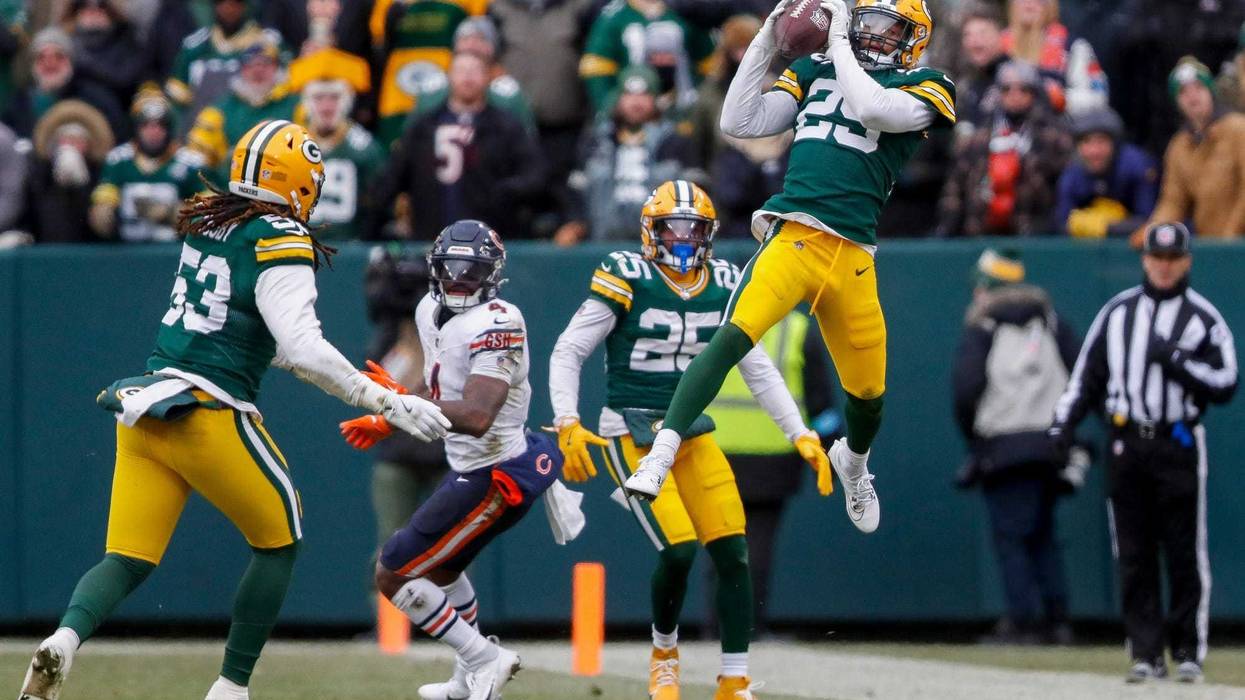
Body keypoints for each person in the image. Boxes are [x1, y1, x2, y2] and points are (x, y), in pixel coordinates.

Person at [16, 119, 450, 700]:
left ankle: (64, 639)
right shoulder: (280, 236)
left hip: (146, 407)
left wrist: (329, 372)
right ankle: (231, 687)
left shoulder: (210, 221)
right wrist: (384, 398)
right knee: (280, 541)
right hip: (206, 411)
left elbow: (250, 331)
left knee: (127, 557)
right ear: (296, 182)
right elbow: (302, 349)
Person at [622, 0, 957, 534]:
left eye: (886, 26)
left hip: (852, 256)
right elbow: (738, 120)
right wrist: (766, 40)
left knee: (868, 397)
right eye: (865, 21)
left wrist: (839, 42)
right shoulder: (814, 70)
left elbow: (874, 110)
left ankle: (855, 465)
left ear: (914, 38)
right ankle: (661, 454)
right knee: (731, 338)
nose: (872, 34)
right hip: (794, 237)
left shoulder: (928, 84)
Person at [548, 181, 830, 700]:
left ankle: (734, 678)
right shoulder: (627, 274)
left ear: (709, 234)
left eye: (693, 229)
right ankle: (664, 654)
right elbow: (569, 350)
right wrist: (567, 420)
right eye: (672, 228)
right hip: (629, 432)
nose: (682, 238)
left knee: (733, 550)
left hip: (690, 434)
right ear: (649, 231)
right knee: (678, 551)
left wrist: (800, 433)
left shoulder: (724, 280)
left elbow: (757, 366)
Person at [340, 220, 565, 700]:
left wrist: (395, 409)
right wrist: (393, 416)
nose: (459, 281)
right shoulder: (428, 309)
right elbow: (438, 390)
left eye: (472, 271)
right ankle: (467, 679)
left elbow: (478, 415)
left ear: (493, 274)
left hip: (498, 471)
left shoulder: (500, 321)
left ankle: (484, 658)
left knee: (393, 571)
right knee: (443, 572)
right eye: (451, 269)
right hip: (470, 467)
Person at [1050, 222, 1237, 684]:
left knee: (1183, 551)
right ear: (1145, 259)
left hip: (1177, 442)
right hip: (1127, 442)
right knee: (1133, 552)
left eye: (1173, 258)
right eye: (1157, 257)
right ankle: (1146, 652)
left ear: (1186, 261)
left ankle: (1188, 650)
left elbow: (1225, 381)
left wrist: (1177, 360)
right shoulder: (1118, 313)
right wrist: (1062, 426)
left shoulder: (1203, 318)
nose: (1164, 267)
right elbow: (1086, 377)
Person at [951, 249, 1080, 645]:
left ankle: (1022, 622)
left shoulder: (984, 327)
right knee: (1043, 533)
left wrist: (975, 438)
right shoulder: (1051, 322)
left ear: (987, 288)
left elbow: (966, 388)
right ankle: (1058, 620)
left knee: (1011, 539)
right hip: (1050, 444)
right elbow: (1083, 374)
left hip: (1002, 445)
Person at [706, 311, 840, 636]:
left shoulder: (710, 323)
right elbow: (821, 404)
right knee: (758, 546)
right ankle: (748, 627)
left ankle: (716, 630)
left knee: (719, 545)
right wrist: (835, 457)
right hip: (772, 457)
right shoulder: (796, 329)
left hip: (714, 453)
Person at [373, 51, 546, 240]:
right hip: (430, 236)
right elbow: (392, 178)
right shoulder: (424, 127)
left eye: (475, 71)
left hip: (491, 237)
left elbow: (534, 174)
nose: (468, 77)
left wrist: (504, 193)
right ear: (449, 76)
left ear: (488, 77)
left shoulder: (506, 126)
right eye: (461, 70)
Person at [556, 66, 696, 245]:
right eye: (629, 95)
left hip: (660, 243)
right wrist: (574, 222)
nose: (636, 103)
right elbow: (576, 187)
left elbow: (695, 190)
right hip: (602, 240)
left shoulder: (674, 141)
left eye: (644, 95)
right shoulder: (595, 141)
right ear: (618, 98)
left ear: (656, 100)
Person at [937, 60, 1072, 237]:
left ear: (1034, 93)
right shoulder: (977, 139)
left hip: (1034, 232)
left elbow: (1064, 188)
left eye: (1023, 89)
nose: (1015, 96)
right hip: (979, 233)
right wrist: (947, 227)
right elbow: (954, 188)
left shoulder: (1053, 138)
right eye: (1007, 89)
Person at [1134, 57, 1245, 242]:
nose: (1192, 97)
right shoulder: (1179, 146)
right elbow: (1173, 202)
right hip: (1210, 243)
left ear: (1211, 92)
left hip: (1237, 242)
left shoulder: (1238, 129)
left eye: (1199, 88)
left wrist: (1232, 235)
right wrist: (1153, 231)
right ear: (1177, 101)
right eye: (1183, 92)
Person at [289, 48, 384, 241]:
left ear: (347, 101)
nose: (326, 107)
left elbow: (378, 206)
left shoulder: (365, 148)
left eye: (334, 98)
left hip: (351, 245)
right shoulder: (290, 147)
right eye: (319, 98)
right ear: (306, 103)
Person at [89, 88, 207, 242]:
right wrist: (104, 212)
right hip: (127, 248)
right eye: (146, 126)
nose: (153, 132)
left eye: (160, 126)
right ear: (136, 128)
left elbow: (209, 211)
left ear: (169, 129)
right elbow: (103, 200)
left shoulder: (190, 162)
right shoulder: (118, 160)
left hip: (174, 248)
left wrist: (175, 213)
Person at [578, 0, 715, 115]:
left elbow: (712, 64)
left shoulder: (687, 10)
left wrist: (701, 106)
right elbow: (596, 69)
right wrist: (612, 107)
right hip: (634, 109)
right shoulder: (614, 15)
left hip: (684, 109)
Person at [187, 38, 301, 171]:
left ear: (277, 68)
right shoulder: (220, 110)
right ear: (242, 70)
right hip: (231, 180)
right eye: (251, 65)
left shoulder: (297, 106)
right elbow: (196, 156)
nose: (258, 70)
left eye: (265, 64)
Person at [165, 0, 284, 124]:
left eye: (234, 4)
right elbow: (177, 98)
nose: (228, 9)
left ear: (245, 6)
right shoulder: (194, 46)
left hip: (254, 121)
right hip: (203, 125)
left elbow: (284, 89)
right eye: (222, 3)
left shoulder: (268, 43)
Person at [372, 0, 471, 147]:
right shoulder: (390, 5)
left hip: (442, 85)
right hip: (399, 88)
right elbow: (379, 43)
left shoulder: (460, 7)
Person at [4, 27, 127, 143]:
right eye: (41, 57)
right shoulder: (19, 102)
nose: (50, 63)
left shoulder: (95, 99)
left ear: (71, 61)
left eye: (58, 56)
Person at [1054, 107, 1158, 239]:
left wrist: (1106, 226)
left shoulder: (1138, 166)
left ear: (1115, 144)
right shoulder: (1072, 174)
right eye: (1086, 142)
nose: (1094, 151)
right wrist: (1077, 224)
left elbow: (1151, 221)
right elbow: (1061, 222)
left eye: (1101, 141)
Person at [22, 99, 115, 243]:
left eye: (78, 141)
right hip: (47, 248)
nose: (71, 146)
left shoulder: (102, 173)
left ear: (89, 145)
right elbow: (29, 213)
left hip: (87, 248)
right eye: (66, 140)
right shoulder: (40, 175)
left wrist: (82, 187)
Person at [1001, 0, 1108, 116]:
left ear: (1051, 6)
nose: (1029, 5)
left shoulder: (1073, 46)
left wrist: (1060, 98)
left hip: (1057, 121)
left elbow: (1097, 96)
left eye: (1038, 1)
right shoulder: (997, 45)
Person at [62, 0, 146, 116]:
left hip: (116, 114)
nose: (93, 11)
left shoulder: (128, 43)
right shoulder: (63, 45)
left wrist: (85, 70)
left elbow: (127, 80)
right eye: (83, 5)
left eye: (101, 5)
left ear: (111, 11)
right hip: (72, 115)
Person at [954, 2, 1007, 140]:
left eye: (983, 33)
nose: (975, 41)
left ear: (1000, 35)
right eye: (968, 35)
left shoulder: (1015, 78)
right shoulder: (965, 83)